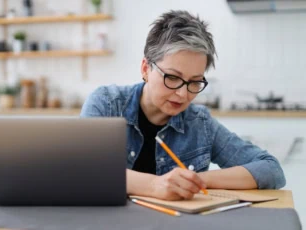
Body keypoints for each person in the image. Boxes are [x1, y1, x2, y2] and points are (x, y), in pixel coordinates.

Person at [80, 10, 286, 201]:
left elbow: (270, 169)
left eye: (195, 82)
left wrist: (197, 180)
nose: (183, 94)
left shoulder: (199, 123)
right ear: (145, 68)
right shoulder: (106, 104)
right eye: (172, 77)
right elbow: (83, 170)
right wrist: (155, 185)